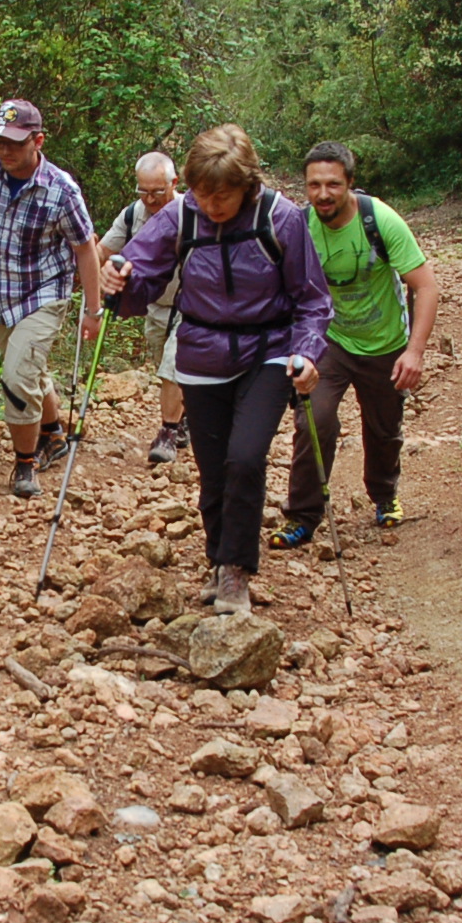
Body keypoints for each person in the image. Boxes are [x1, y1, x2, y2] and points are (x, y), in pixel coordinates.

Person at [100, 124, 331, 615]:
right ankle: (218, 559)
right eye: (202, 194)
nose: (211, 205)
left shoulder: (281, 218)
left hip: (269, 350)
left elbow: (312, 299)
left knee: (245, 458)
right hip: (201, 352)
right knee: (213, 469)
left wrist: (308, 352)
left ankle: (235, 571)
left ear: (247, 185)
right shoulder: (182, 213)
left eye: (222, 196)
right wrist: (118, 277)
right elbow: (140, 273)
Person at [269, 142, 439, 546]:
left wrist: (414, 351)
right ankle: (303, 516)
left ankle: (384, 494)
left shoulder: (381, 221)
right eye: (314, 185)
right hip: (328, 341)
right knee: (315, 420)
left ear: (350, 183)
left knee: (383, 429)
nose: (323, 194)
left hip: (385, 342)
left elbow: (426, 286)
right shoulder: (299, 225)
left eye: (333, 184)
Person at [0, 98, 102, 499]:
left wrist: (93, 310)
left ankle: (25, 462)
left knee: (17, 377)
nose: (5, 150)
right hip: (1, 293)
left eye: (15, 143)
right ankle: (53, 434)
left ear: (38, 141)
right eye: (0, 141)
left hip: (45, 294)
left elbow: (85, 248)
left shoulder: (61, 189)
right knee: (30, 370)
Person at [99, 152, 188, 465]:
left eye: (157, 191)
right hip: (156, 306)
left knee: (173, 365)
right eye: (143, 191)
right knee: (166, 365)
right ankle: (185, 417)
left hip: (191, 305)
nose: (150, 199)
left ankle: (167, 433)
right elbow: (103, 251)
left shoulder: (191, 211)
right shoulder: (132, 215)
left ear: (174, 183)